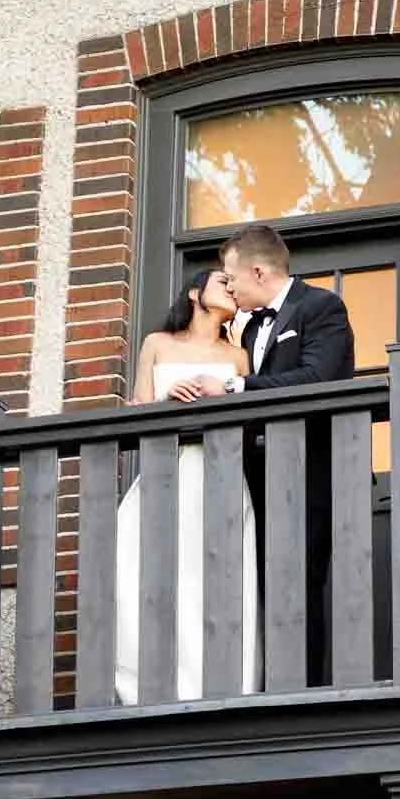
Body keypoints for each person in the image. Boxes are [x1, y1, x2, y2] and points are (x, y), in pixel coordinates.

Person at [166, 223, 356, 680]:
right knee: (259, 586)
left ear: (257, 272)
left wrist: (234, 387)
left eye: (231, 278)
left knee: (300, 584)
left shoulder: (321, 307)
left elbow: (317, 379)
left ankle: (302, 692)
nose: (229, 287)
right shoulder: (247, 331)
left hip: (309, 473)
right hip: (255, 479)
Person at [113, 270, 260, 704]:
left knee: (216, 579)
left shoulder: (238, 357)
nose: (231, 289)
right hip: (164, 473)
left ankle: (225, 687)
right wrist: (164, 403)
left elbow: (249, 421)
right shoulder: (157, 344)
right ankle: (150, 689)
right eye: (222, 282)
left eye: (234, 285)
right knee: (147, 577)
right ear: (195, 293)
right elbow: (135, 413)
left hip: (219, 474)